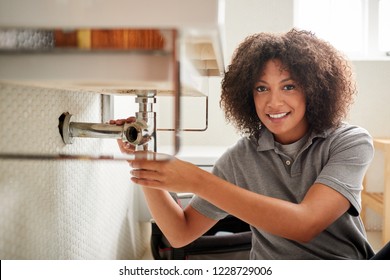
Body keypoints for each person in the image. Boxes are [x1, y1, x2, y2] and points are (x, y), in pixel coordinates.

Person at [113, 29, 376, 259]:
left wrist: (197, 180)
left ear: (314, 89)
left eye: (289, 87)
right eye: (261, 88)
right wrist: (144, 162)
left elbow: (305, 224)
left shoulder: (349, 142)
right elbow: (180, 233)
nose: (273, 103)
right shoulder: (240, 158)